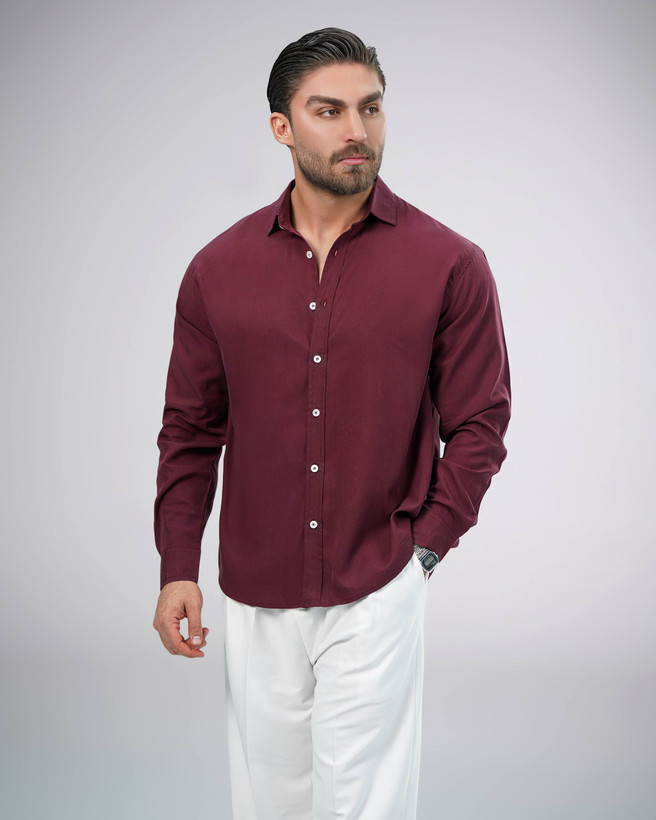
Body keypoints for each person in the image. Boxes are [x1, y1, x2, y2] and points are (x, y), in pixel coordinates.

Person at [152, 26, 511, 820]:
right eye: (330, 111)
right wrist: (179, 566)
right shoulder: (217, 270)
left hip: (377, 581)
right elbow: (190, 430)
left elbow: (481, 422)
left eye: (371, 108)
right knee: (270, 806)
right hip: (256, 592)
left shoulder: (449, 264)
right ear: (281, 127)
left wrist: (422, 550)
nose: (357, 130)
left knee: (363, 808)